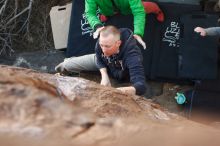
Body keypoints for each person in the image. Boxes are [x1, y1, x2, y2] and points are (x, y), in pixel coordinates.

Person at [56, 25, 147, 95]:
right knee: (66, 65)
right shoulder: (102, 42)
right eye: (101, 45)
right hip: (105, 64)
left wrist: (119, 92)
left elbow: (141, 86)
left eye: (107, 46)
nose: (103, 49)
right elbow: (99, 58)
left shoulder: (132, 56)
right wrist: (104, 75)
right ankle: (66, 75)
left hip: (122, 74)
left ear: (118, 43)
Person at [85, 0, 165, 49]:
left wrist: (138, 32)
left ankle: (157, 10)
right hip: (107, 9)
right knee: (106, 12)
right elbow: (90, 13)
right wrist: (97, 25)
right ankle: (107, 14)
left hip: (128, 8)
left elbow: (138, 12)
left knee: (145, 7)